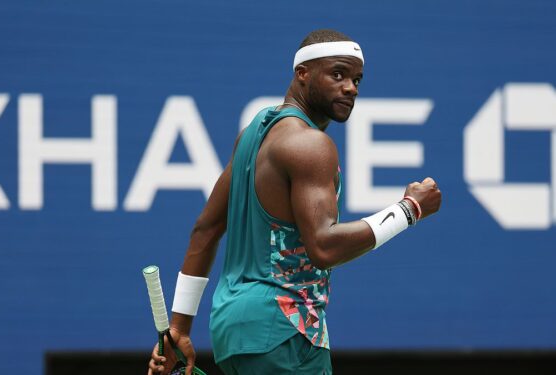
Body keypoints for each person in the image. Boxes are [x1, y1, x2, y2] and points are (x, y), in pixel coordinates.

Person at [147, 29, 441, 375]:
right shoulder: (311, 145)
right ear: (302, 74)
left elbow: (205, 230)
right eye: (338, 74)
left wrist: (179, 328)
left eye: (357, 79)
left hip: (233, 329)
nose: (351, 88)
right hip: (286, 331)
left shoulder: (254, 132)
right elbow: (324, 246)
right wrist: (409, 210)